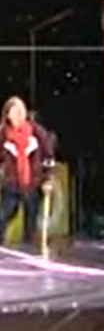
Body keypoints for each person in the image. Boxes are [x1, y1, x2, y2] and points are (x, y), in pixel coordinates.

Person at [0, 97, 56, 247]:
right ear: (7, 115)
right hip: (11, 184)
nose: (18, 116)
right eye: (14, 112)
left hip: (33, 183)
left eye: (20, 112)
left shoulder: (37, 132)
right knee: (3, 217)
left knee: (30, 223)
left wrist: (49, 178)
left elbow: (48, 156)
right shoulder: (3, 134)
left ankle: (28, 250)